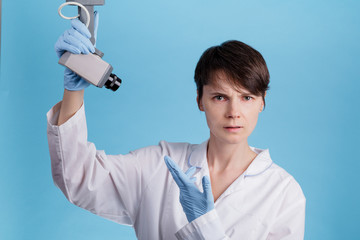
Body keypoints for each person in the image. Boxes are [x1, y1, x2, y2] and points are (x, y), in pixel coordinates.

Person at [47, 15, 306, 240]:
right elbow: (78, 178)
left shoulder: (283, 193)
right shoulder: (158, 166)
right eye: (220, 97)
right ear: (200, 101)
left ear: (262, 102)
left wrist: (205, 226)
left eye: (246, 98)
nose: (233, 112)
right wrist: (74, 90)